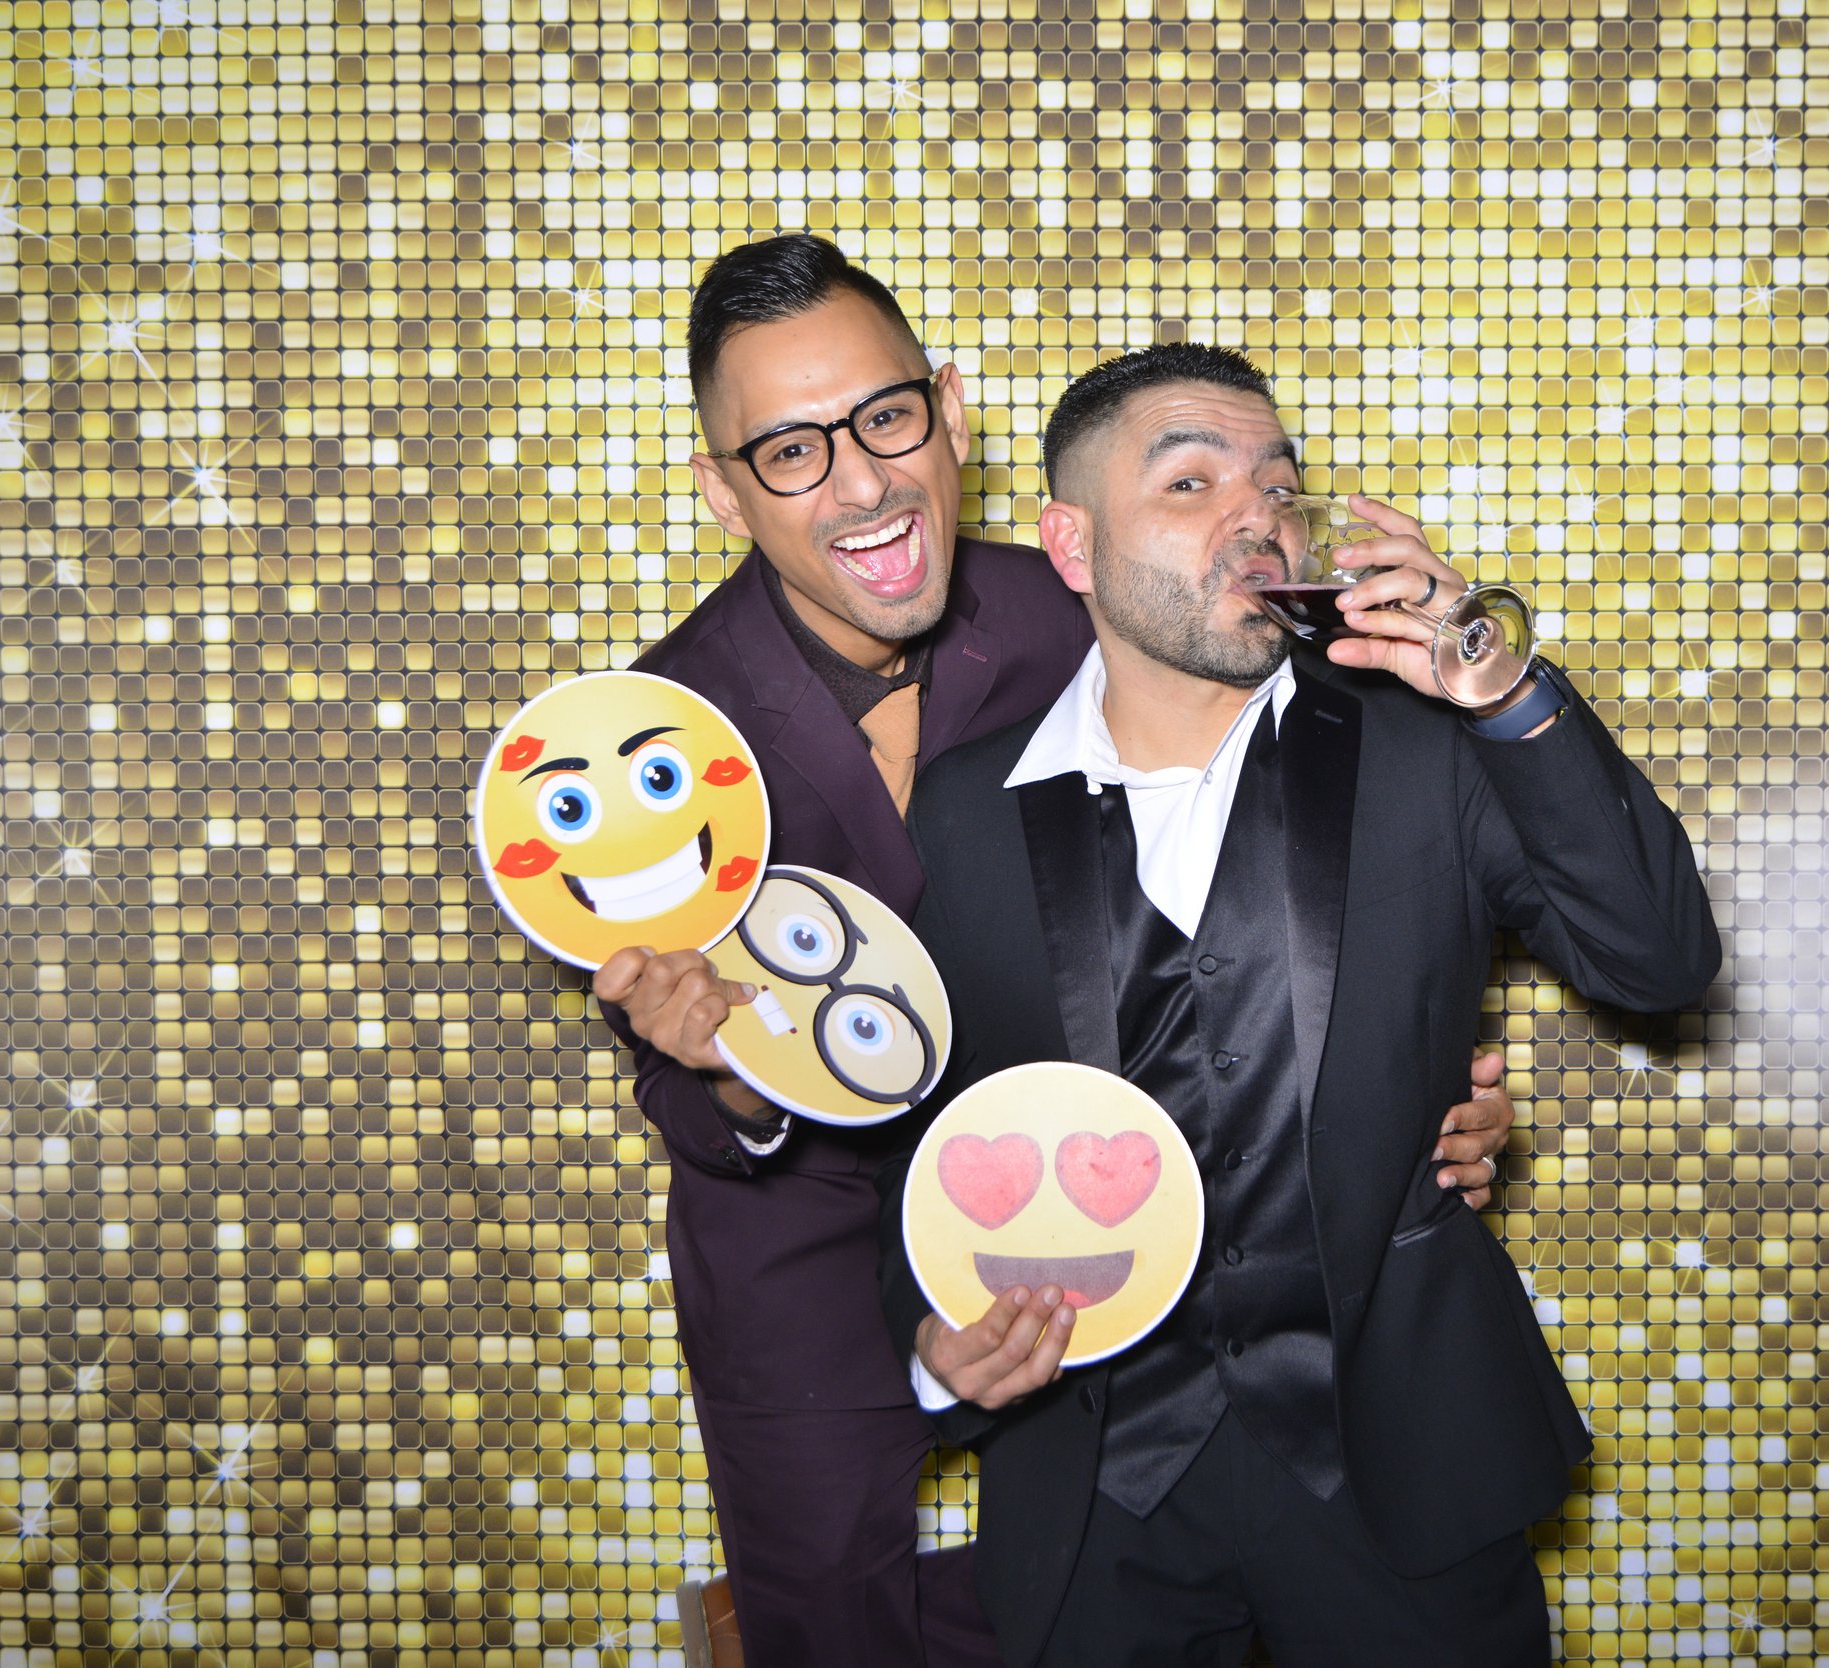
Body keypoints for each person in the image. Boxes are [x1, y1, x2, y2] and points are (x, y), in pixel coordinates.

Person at [585, 240, 1526, 1668]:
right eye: (788, 450)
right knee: (833, 1606)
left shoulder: (1077, 598)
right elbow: (688, 1100)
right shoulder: (657, 734)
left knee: (1120, 1541)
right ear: (723, 488)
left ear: (946, 410)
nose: (860, 481)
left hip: (1073, 1184)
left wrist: (1404, 1090)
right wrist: (724, 1066)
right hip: (803, 1224)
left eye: (885, 418)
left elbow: (1324, 834)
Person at [880, 343, 1722, 1667]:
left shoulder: (1426, 746)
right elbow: (915, 1143)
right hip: (1099, 1495)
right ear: (1073, 544)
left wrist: (1501, 692)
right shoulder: (959, 812)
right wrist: (930, 1357)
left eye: (1278, 484)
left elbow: (1661, 962)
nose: (1258, 517)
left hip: (1401, 1479)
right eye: (1191, 482)